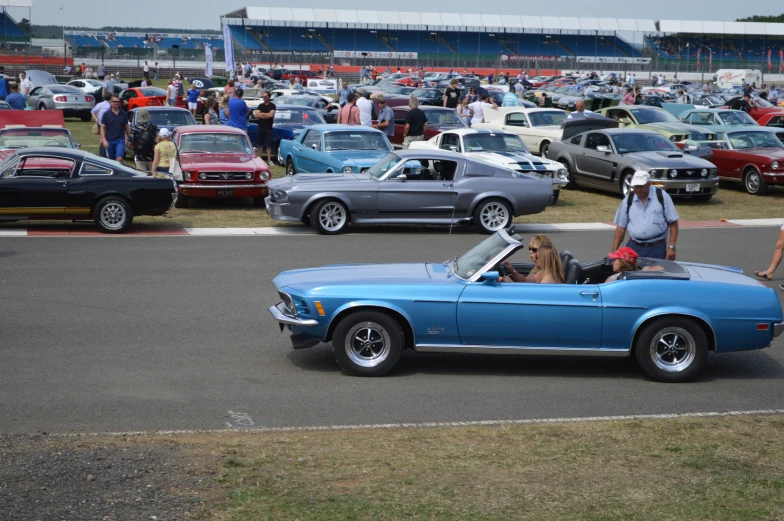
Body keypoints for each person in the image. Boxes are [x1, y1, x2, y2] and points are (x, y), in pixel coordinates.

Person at [612, 171, 679, 260]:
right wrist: (614, 250)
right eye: (636, 187)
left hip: (657, 247)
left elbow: (673, 222)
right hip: (633, 246)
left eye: (641, 186)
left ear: (649, 184)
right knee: (631, 273)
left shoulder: (662, 196)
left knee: (655, 273)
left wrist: (672, 247)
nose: (638, 190)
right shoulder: (628, 200)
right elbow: (621, 227)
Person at [99, 95, 131, 163]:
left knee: (119, 158)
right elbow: (102, 128)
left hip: (120, 139)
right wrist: (104, 140)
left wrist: (130, 139)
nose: (116, 103)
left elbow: (126, 127)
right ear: (110, 102)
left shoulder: (124, 114)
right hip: (109, 140)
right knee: (112, 160)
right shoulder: (106, 114)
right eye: (114, 102)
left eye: (118, 102)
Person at [253, 91, 276, 163]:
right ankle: (259, 159)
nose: (264, 98)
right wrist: (266, 115)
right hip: (261, 127)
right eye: (263, 97)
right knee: (260, 144)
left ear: (269, 97)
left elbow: (271, 115)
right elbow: (257, 115)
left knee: (269, 145)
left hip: (269, 128)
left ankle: (269, 160)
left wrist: (262, 114)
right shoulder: (260, 105)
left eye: (265, 97)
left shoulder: (272, 106)